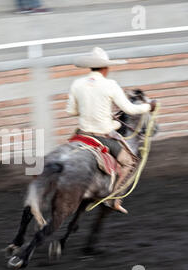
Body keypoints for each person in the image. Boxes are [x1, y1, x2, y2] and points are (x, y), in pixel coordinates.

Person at [66, 47, 157, 214]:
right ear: (105, 68)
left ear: (91, 67)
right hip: (103, 136)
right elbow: (130, 109)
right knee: (131, 162)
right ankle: (114, 198)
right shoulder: (110, 85)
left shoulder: (77, 84)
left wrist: (88, 110)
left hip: (81, 133)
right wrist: (148, 107)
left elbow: (71, 111)